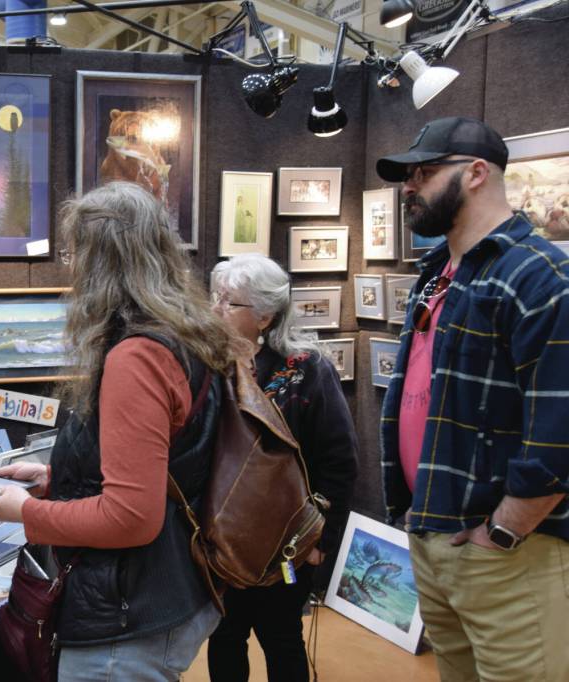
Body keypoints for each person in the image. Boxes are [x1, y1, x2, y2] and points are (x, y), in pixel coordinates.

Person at [0, 181, 245, 681]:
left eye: (72, 253)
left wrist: (28, 512)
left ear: (99, 261)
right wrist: (53, 477)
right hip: (170, 589)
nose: (70, 268)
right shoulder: (186, 334)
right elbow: (163, 463)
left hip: (126, 618)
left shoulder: (138, 356)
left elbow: (130, 518)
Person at [376, 117, 569, 681]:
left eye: (427, 172)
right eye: (410, 174)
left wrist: (504, 530)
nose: (410, 185)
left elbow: (561, 428)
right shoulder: (439, 274)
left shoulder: (540, 276)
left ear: (478, 173)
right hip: (434, 537)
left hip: (507, 554)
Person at [206, 254, 358, 682]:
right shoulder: (209, 367)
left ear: (265, 315)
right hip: (224, 540)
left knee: (282, 638)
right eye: (216, 297)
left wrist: (321, 540)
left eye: (229, 302)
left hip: (290, 541)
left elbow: (340, 462)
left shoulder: (308, 370)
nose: (216, 308)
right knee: (224, 636)